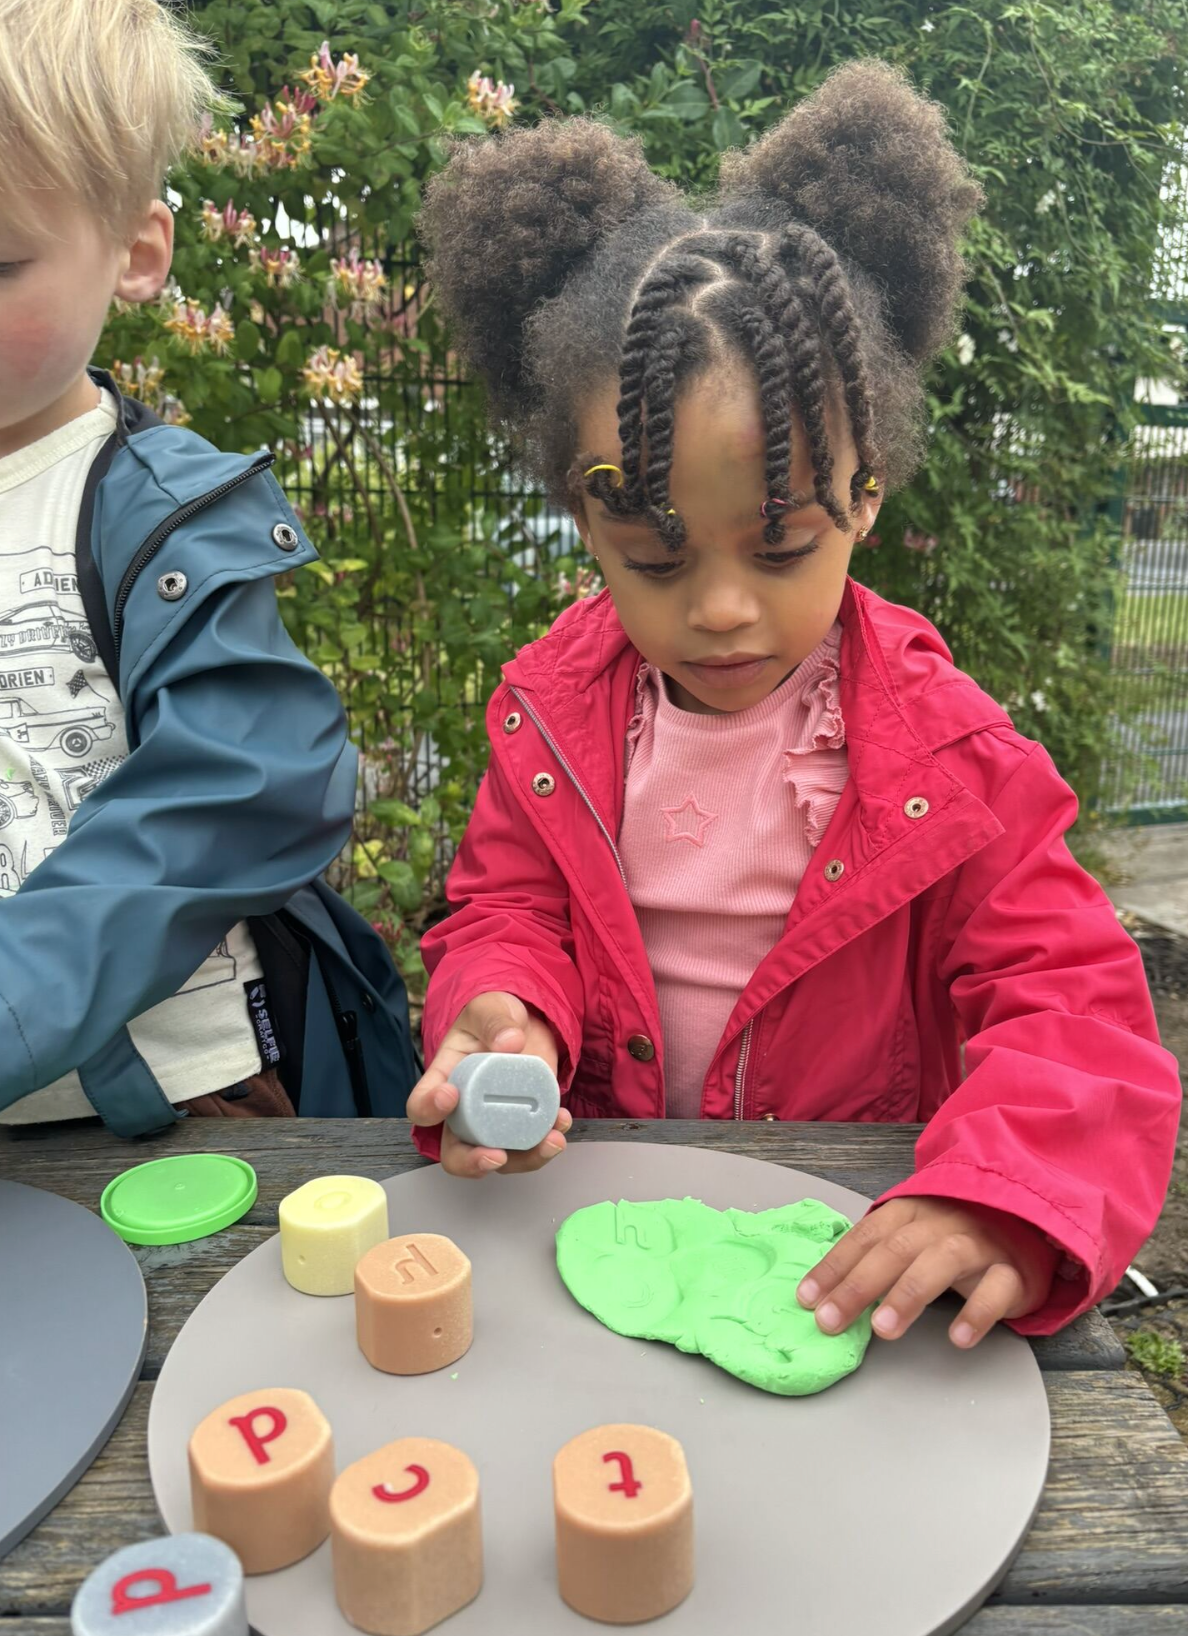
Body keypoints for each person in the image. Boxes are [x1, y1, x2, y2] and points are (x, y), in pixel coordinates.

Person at [407, 60, 1181, 1350]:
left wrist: (999, 1194)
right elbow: (509, 904)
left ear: (865, 494)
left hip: (837, 1258)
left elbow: (1074, 1005)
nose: (720, 610)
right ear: (584, 516)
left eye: (780, 549)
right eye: (654, 559)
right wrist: (503, 1006)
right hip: (604, 1235)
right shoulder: (554, 717)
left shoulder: (948, 756)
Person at [0, 0, 417, 1133]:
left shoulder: (155, 512)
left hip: (169, 1113)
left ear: (135, 255)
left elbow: (248, 783)